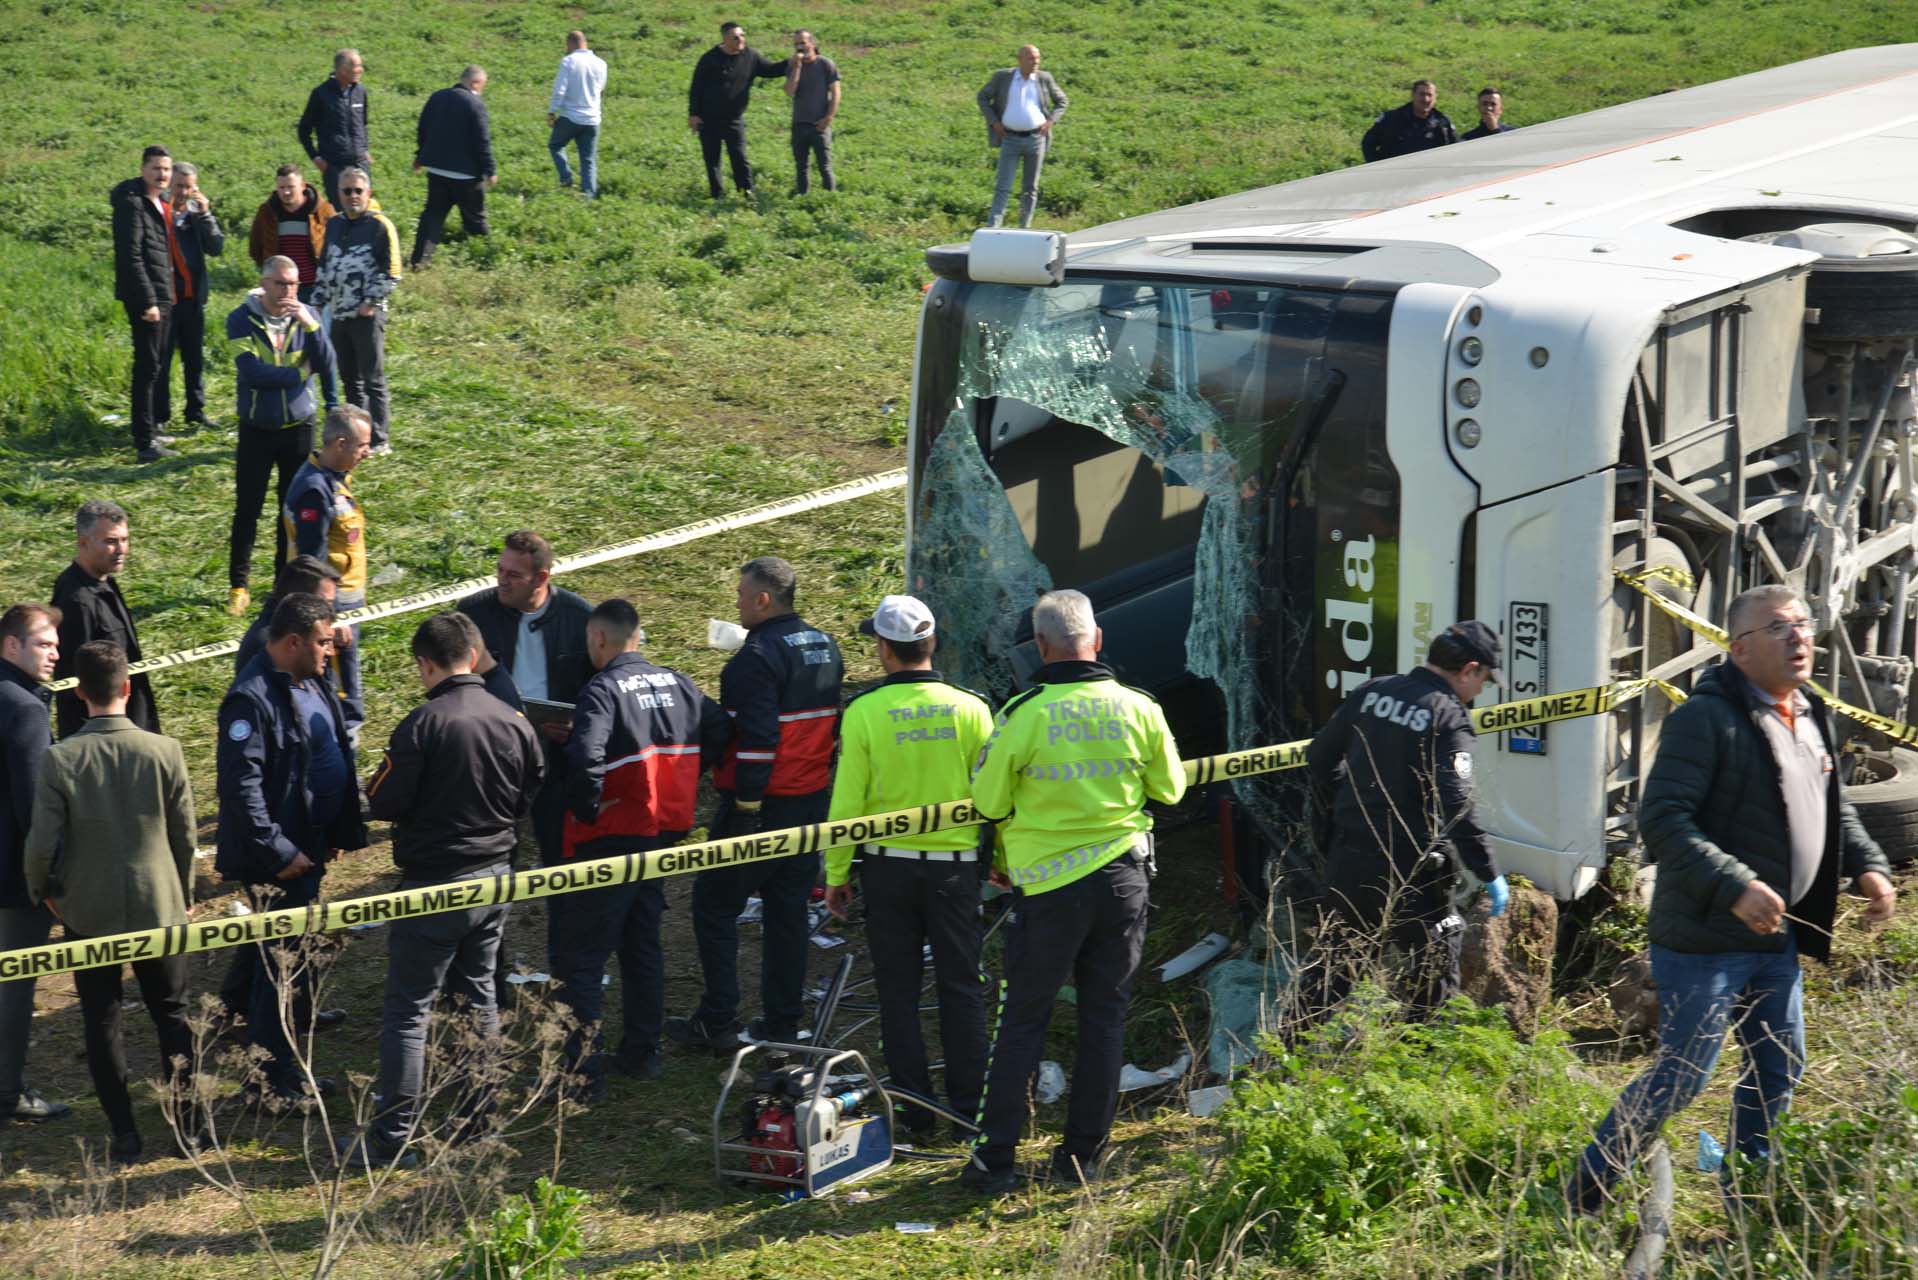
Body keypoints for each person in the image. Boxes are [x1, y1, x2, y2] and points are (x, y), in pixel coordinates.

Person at [1569, 586, 1896, 1213]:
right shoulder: (1706, 718)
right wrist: (1734, 885)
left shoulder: (1812, 709)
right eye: (1779, 627)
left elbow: (1834, 808)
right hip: (1703, 941)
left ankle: (1745, 1198)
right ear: (1740, 650)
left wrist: (1869, 867)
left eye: (1803, 623)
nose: (1799, 636)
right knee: (1685, 1074)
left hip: (1776, 940)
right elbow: (1662, 817)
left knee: (1778, 1066)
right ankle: (1587, 1190)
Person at [962, 589, 1186, 1193]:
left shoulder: (1022, 713)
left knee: (1022, 1024)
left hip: (1050, 892)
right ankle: (1081, 1161)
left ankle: (994, 1165)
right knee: (1104, 1020)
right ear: (1099, 638)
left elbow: (988, 802)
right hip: (1123, 883)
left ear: (1040, 646)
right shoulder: (1139, 706)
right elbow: (1171, 791)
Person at [348, 614, 543, 1166]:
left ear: (425, 664)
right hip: (495, 879)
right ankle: (480, 1122)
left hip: (434, 886)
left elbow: (382, 800)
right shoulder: (513, 719)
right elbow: (531, 790)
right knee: (478, 995)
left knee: (409, 1010)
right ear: (476, 654)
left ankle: (392, 1139)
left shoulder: (421, 725)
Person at [823, 596, 992, 1138]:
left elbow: (848, 802)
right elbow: (994, 795)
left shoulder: (864, 712)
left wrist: (836, 875)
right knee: (961, 988)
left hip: (887, 869)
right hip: (956, 869)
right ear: (932, 643)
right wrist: (1002, 861)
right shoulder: (971, 708)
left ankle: (916, 1112)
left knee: (897, 993)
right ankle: (969, 1112)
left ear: (882, 650)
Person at [24, 641, 199, 1164]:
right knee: (173, 1015)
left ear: (77, 694)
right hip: (160, 906)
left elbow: (40, 844)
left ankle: (124, 1134)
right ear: (127, 687)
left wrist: (46, 893)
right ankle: (189, 1130)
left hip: (88, 911)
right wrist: (184, 892)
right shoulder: (164, 751)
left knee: (102, 1020)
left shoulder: (60, 758)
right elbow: (185, 834)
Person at [554, 599, 729, 1097]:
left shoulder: (602, 689)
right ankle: (641, 1053)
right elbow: (718, 729)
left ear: (599, 639)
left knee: (582, 957)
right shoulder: (679, 682)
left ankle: (582, 1076)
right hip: (659, 834)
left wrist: (589, 808)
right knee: (641, 943)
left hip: (608, 839)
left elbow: (587, 757)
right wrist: (685, 775)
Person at [667, 556, 841, 1050]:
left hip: (762, 805)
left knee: (714, 905)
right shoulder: (826, 645)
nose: (737, 604)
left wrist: (744, 806)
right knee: (786, 911)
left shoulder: (754, 658)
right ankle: (782, 1022)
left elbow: (759, 739)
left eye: (742, 595)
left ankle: (718, 1020)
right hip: (810, 804)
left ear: (763, 599)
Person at [1301, 622, 1509, 1021]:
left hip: (1350, 857)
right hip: (1410, 869)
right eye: (1483, 679)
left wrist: (1344, 807)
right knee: (1436, 966)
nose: (1480, 691)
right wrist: (1487, 870)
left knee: (1334, 968)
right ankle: (1419, 1060)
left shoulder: (1373, 691)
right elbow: (1458, 804)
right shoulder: (1448, 717)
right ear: (1469, 669)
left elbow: (1319, 757)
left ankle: (1282, 1060)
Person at [215, 593, 368, 1108]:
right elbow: (242, 790)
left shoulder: (311, 678)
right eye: (325, 642)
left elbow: (330, 751)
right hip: (278, 861)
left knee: (289, 967)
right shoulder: (251, 698)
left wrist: (336, 831)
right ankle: (268, 1083)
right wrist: (280, 852)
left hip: (309, 847)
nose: (332, 650)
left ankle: (285, 1072)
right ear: (294, 641)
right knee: (277, 971)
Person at [459, 531, 592, 858]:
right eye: (500, 570)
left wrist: (578, 725)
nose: (502, 581)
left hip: (556, 752)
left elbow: (599, 687)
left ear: (541, 577)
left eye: (514, 575)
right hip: (493, 748)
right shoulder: (473, 614)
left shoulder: (580, 618)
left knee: (558, 847)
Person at [226, 255, 337, 619]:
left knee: (288, 512)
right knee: (248, 508)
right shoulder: (240, 318)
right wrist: (298, 375)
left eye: (293, 284)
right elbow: (252, 372)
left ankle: (281, 585)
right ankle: (238, 585)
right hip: (257, 429)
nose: (288, 291)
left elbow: (327, 362)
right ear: (264, 282)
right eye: (280, 283)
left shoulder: (306, 316)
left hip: (298, 428)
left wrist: (314, 328)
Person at [0, 604, 71, 1126]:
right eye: (44, 644)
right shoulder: (24, 708)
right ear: (12, 646)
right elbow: (34, 808)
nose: (55, 653)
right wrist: (50, 878)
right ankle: (6, 1094)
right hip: (12, 878)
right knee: (15, 985)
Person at [284, 406, 373, 740]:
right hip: (335, 614)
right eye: (362, 445)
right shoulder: (314, 491)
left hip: (347, 606)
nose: (369, 452)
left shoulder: (332, 478)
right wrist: (330, 620)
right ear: (339, 443)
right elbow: (312, 564)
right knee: (342, 696)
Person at [51, 500, 159, 737]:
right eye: (110, 541)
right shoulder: (76, 601)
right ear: (83, 543)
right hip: (107, 736)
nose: (121, 549)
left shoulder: (104, 580)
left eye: (124, 540)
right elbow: (78, 681)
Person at [312, 169, 401, 453]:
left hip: (367, 316)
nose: (352, 196)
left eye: (358, 191)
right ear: (338, 194)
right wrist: (318, 301)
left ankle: (380, 439)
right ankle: (356, 438)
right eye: (346, 191)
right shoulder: (335, 224)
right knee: (350, 378)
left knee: (372, 379)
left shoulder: (380, 225)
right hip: (338, 314)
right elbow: (325, 265)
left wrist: (369, 303)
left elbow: (393, 272)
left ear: (368, 193)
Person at [110, 145, 179, 462]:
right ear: (142, 169)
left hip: (164, 295)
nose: (162, 174)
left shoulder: (160, 201)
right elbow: (131, 256)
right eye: (156, 168)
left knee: (158, 364)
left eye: (166, 169)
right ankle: (144, 440)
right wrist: (149, 300)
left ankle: (151, 429)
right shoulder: (133, 204)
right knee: (147, 366)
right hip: (147, 299)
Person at [687, 22, 789, 200]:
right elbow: (696, 88)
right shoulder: (709, 59)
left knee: (740, 158)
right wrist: (694, 115)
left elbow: (771, 70)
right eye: (736, 37)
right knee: (712, 161)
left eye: (742, 35)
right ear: (725, 39)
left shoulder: (751, 56)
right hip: (708, 119)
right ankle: (717, 196)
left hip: (734, 119)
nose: (741, 39)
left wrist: (792, 62)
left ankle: (747, 194)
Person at [411, 66, 496, 269]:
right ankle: (486, 259)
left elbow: (423, 128)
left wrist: (420, 156)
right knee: (475, 219)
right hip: (466, 176)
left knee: (432, 216)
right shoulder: (475, 103)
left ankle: (419, 261)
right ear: (475, 83)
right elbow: (482, 140)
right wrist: (490, 170)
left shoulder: (437, 97)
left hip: (437, 171)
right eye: (482, 86)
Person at [977, 45, 1068, 229]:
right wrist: (994, 122)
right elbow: (983, 97)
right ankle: (993, 227)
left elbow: (1062, 101)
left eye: (1037, 58)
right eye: (1030, 58)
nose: (1035, 62)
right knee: (1003, 185)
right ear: (1019, 59)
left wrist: (1051, 121)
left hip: (1036, 139)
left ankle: (1024, 227)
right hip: (1009, 138)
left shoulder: (1044, 78)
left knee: (1030, 187)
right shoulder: (1003, 77)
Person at [163, 162, 224, 432]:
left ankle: (195, 411)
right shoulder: (160, 212)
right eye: (179, 186)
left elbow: (216, 247)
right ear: (169, 185)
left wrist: (206, 215)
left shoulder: (195, 215)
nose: (184, 192)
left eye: (189, 187)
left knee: (194, 358)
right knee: (161, 361)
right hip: (166, 301)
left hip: (192, 299)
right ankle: (159, 417)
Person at [235, 554, 343, 676]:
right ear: (300, 599)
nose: (331, 612)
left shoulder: (299, 631)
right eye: (325, 603)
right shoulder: (270, 645)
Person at [246, 166, 335, 306]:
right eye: (281, 188)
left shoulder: (324, 211)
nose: (286, 192)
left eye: (291, 187)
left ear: (302, 186)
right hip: (280, 289)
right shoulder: (267, 212)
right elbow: (255, 247)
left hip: (315, 288)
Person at [298, 49, 370, 208]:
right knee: (340, 214)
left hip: (360, 164)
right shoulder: (321, 94)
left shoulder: (360, 91)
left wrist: (364, 150)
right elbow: (304, 130)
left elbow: (363, 124)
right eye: (357, 66)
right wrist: (315, 157)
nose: (361, 70)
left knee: (363, 211)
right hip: (334, 167)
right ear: (343, 70)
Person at [548, 30, 607, 199]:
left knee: (556, 145)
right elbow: (600, 90)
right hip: (593, 118)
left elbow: (559, 91)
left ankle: (566, 178)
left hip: (570, 116)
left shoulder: (568, 61)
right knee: (588, 159)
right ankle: (589, 195)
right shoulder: (601, 64)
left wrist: (552, 111)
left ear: (570, 44)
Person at [784, 30, 839, 195]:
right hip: (799, 124)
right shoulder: (793, 65)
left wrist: (828, 118)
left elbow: (836, 93)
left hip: (819, 125)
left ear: (812, 44)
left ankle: (830, 198)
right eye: (796, 44)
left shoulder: (825, 64)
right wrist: (797, 68)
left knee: (824, 166)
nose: (800, 47)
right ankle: (803, 198)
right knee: (801, 167)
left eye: (803, 43)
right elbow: (789, 91)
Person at [1361, 78, 1457, 162]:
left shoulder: (1442, 123)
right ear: (1413, 95)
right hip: (1395, 175)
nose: (1426, 99)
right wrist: (1378, 167)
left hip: (1429, 176)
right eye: (1422, 94)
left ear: (1435, 98)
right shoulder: (1392, 119)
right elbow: (1368, 144)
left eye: (1430, 95)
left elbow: (1454, 149)